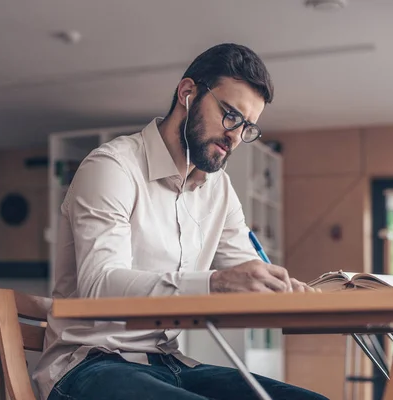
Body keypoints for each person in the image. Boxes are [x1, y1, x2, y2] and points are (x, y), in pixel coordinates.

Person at [34, 43, 328, 400]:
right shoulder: (111, 167)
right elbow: (100, 285)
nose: (235, 136)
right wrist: (216, 284)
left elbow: (246, 274)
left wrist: (294, 293)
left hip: (167, 363)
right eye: (231, 115)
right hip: (88, 364)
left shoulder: (218, 189)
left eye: (247, 127)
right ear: (188, 92)